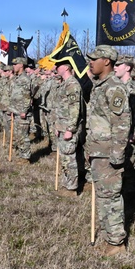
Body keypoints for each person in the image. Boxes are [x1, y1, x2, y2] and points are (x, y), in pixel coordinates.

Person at [85, 45, 132, 256]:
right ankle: (108, 235)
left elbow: (121, 124)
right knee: (104, 196)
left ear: (107, 61)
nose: (90, 62)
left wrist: (117, 155)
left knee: (111, 197)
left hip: (108, 153)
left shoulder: (114, 87)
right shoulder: (99, 86)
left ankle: (116, 242)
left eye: (95, 59)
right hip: (98, 150)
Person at [52, 61, 85, 194]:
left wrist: (70, 129)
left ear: (66, 67)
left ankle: (71, 187)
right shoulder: (64, 84)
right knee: (65, 158)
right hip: (62, 126)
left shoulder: (72, 84)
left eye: (58, 66)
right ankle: (67, 183)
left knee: (69, 158)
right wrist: (57, 126)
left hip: (68, 128)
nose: (56, 68)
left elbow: (74, 108)